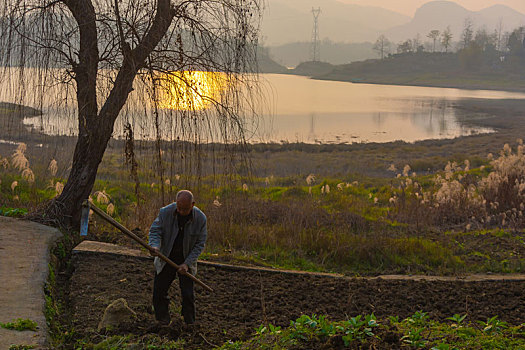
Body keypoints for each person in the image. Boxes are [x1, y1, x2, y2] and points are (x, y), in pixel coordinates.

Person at [148, 190, 207, 325]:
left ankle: (189, 323)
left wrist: (186, 264)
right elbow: (155, 231)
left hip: (186, 259)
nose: (181, 211)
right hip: (166, 256)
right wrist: (155, 246)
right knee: (159, 291)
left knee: (188, 295)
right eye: (179, 208)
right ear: (176, 203)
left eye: (185, 209)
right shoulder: (165, 212)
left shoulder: (201, 219)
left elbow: (199, 245)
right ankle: (162, 320)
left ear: (192, 205)